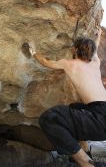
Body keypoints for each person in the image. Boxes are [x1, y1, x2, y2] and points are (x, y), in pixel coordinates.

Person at [29, 28, 106, 167]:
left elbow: (46, 62)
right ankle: (87, 151)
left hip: (99, 120)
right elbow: (95, 45)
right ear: (91, 52)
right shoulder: (95, 62)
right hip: (100, 114)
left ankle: (85, 163)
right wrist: (99, 34)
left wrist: (33, 51)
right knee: (75, 107)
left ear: (75, 50)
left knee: (50, 118)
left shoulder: (69, 64)